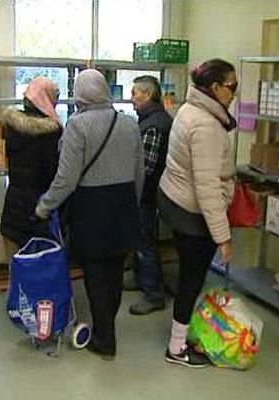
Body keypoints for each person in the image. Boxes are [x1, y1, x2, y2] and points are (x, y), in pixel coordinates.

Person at [35, 69, 144, 360]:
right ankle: (106, 330)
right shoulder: (130, 124)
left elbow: (66, 179)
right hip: (123, 205)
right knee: (115, 271)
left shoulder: (77, 125)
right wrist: (132, 205)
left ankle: (104, 339)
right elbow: (139, 173)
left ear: (80, 93)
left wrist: (44, 206)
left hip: (92, 208)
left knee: (95, 275)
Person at [158, 59, 237, 368]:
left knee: (188, 275)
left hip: (175, 200)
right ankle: (176, 348)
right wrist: (224, 237)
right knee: (191, 279)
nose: (233, 93)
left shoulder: (189, 110)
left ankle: (182, 334)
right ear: (214, 87)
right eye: (231, 86)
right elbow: (206, 187)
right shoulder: (206, 126)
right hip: (192, 211)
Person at [0, 77, 63, 261]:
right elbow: (53, 173)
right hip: (39, 208)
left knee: (17, 264)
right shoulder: (52, 131)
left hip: (13, 203)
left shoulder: (11, 124)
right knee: (39, 265)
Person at [124, 75, 172, 315]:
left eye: (135, 94)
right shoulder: (149, 120)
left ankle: (154, 294)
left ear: (148, 95)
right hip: (144, 192)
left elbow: (146, 167)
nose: (132, 99)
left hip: (147, 194)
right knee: (139, 238)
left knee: (145, 243)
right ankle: (141, 279)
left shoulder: (155, 125)